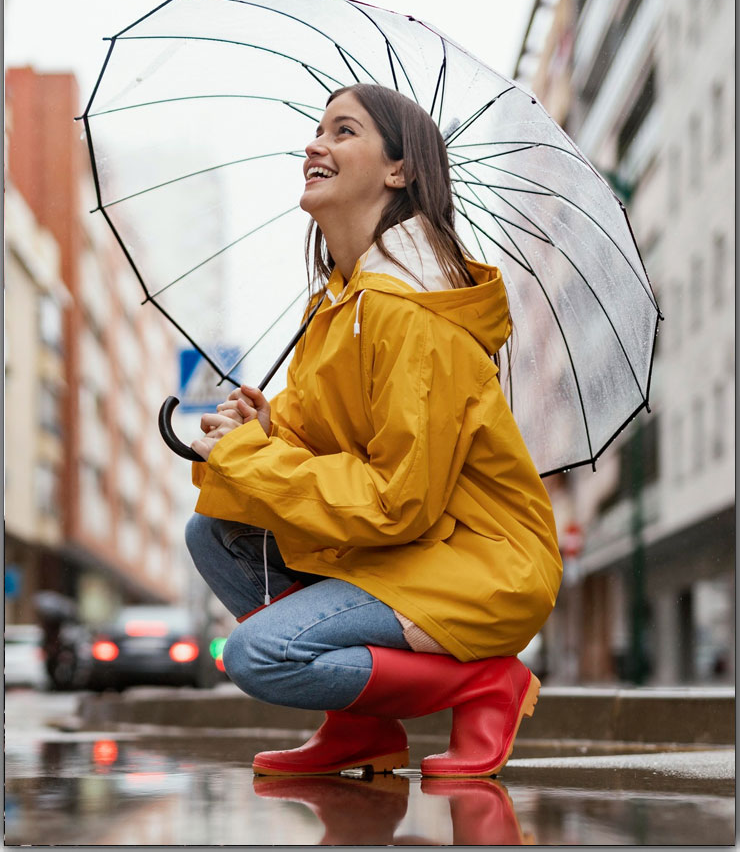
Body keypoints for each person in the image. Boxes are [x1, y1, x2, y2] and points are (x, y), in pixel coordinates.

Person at [185, 83, 562, 778]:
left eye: (343, 131)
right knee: (215, 529)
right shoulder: (340, 304)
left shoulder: (411, 314)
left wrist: (254, 459)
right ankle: (362, 728)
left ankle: (484, 684)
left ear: (400, 169)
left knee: (257, 655)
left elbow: (396, 499)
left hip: (480, 564)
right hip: (412, 551)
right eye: (317, 129)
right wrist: (261, 432)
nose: (314, 144)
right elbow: (329, 450)